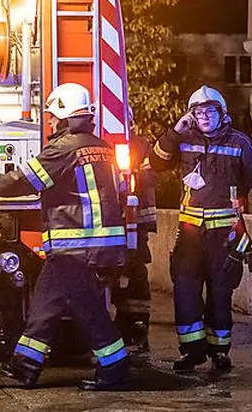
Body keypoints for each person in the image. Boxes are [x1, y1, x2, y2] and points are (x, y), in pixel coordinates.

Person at [0, 82, 131, 391]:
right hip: (97, 245)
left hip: (76, 246)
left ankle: (115, 368)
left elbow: (23, 181)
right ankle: (24, 367)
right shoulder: (101, 146)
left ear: (63, 116)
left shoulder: (64, 148)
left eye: (52, 116)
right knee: (45, 305)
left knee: (88, 311)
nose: (49, 122)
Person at [149, 85, 252, 372]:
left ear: (222, 114)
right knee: (186, 290)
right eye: (198, 112)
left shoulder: (239, 142)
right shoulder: (183, 139)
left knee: (220, 293)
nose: (204, 117)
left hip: (224, 235)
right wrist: (173, 132)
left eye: (209, 111)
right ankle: (192, 352)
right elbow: (156, 163)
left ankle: (219, 352)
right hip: (190, 232)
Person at [112, 126, 159, 353]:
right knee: (132, 277)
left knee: (134, 276)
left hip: (131, 224)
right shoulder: (138, 146)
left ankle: (135, 329)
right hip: (130, 225)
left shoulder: (138, 146)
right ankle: (133, 329)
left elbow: (148, 180)